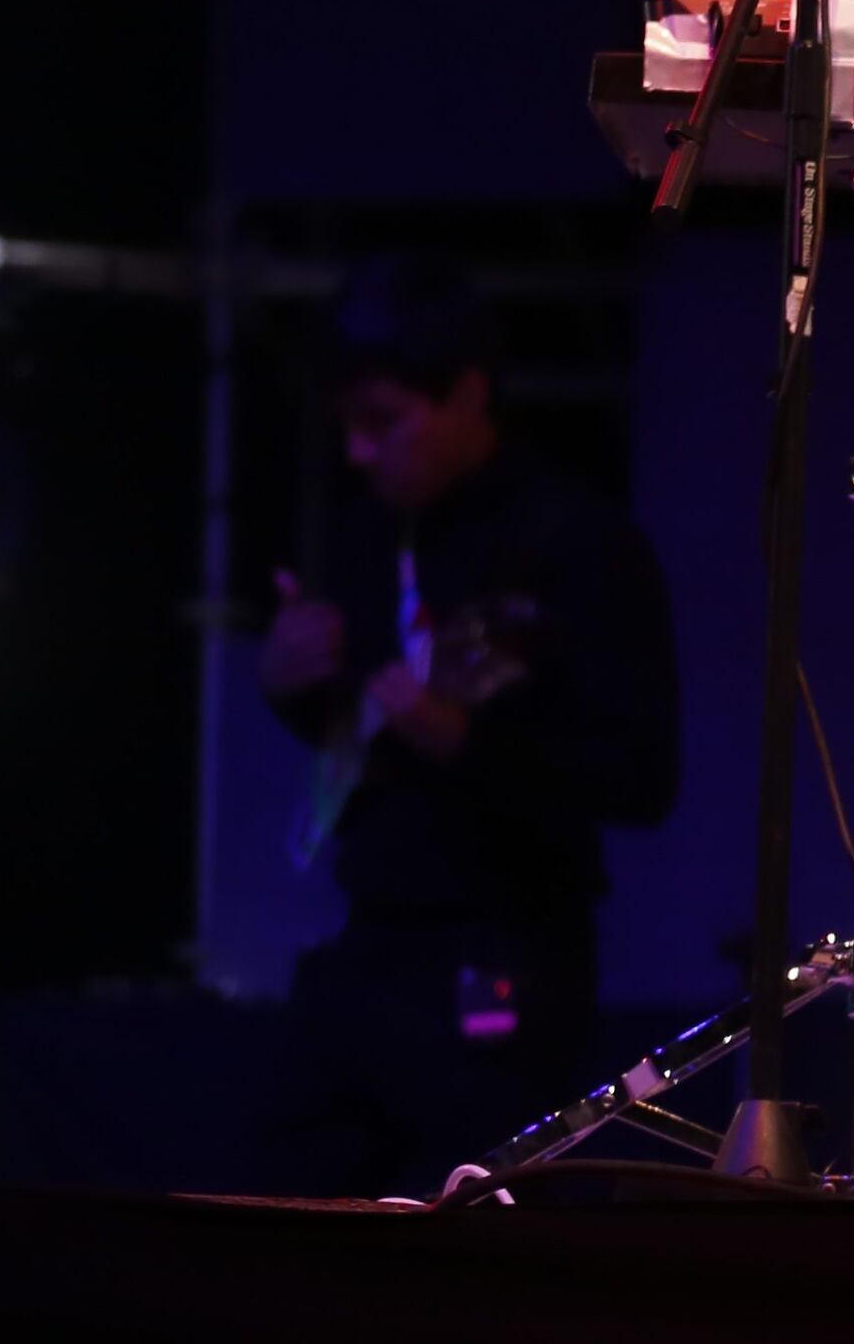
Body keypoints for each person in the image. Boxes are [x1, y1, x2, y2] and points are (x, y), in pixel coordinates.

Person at [255, 258, 678, 1198]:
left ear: (466, 394)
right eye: (348, 427)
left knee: (461, 1212)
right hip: (372, 936)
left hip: (506, 951)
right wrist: (285, 682)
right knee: (292, 1191)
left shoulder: (578, 541)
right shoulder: (371, 533)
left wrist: (470, 741)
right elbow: (359, 728)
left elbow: (644, 776)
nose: (361, 452)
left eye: (383, 421)